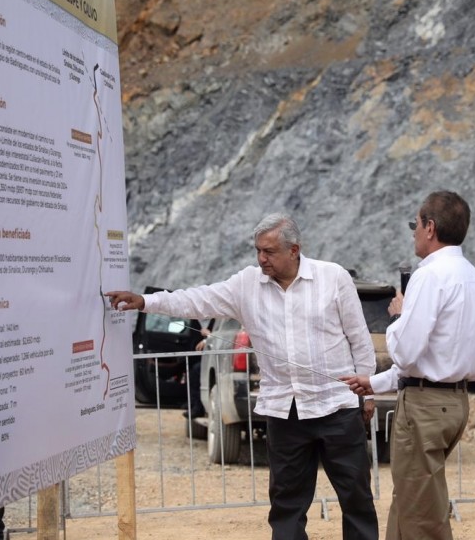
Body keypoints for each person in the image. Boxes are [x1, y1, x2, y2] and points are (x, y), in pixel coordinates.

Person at [107, 213, 378, 540]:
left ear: (294, 250)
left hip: (337, 408)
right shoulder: (246, 285)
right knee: (286, 506)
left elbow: (359, 339)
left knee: (356, 499)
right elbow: (197, 298)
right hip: (284, 413)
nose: (262, 259)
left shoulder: (333, 278)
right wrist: (146, 301)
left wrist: (368, 392)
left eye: (270, 252)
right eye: (258, 251)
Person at [342, 190, 475, 540]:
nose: (413, 231)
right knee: (413, 499)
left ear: (430, 227)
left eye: (416, 223)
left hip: (425, 407)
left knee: (420, 511)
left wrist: (397, 316)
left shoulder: (430, 276)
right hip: (453, 401)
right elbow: (439, 356)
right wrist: (375, 383)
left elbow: (407, 354)